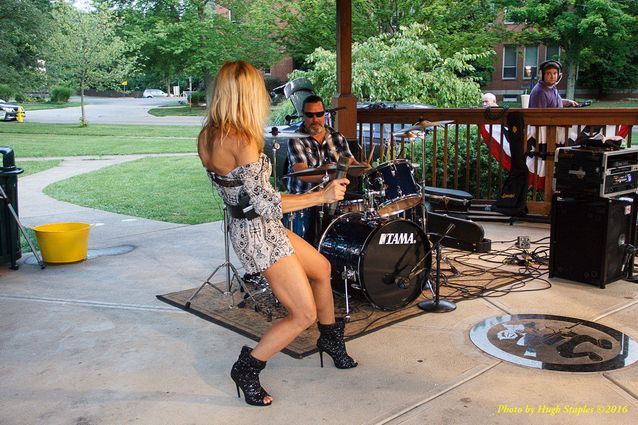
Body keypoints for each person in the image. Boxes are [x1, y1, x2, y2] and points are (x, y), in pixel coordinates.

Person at [197, 61, 358, 407]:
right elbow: (266, 204)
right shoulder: (241, 140)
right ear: (246, 95)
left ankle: (330, 340)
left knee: (321, 269)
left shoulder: (208, 134)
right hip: (259, 235)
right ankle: (248, 368)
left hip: (253, 226)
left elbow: (245, 198)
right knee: (302, 314)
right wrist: (322, 195)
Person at [285, 94, 365, 242]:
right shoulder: (296, 138)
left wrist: (361, 167)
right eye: (310, 115)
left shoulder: (336, 137)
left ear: (324, 114)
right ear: (303, 116)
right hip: (304, 199)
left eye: (319, 114)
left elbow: (350, 162)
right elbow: (301, 172)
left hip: (332, 200)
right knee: (307, 245)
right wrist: (329, 176)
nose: (315, 119)